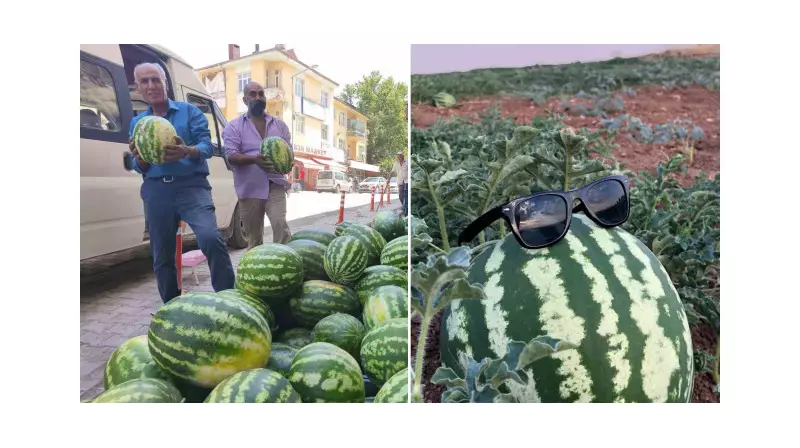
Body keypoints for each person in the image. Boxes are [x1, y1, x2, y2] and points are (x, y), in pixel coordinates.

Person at [128, 62, 235, 303]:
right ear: (138, 87)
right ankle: (171, 307)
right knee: (161, 255)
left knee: (210, 238)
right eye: (144, 81)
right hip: (157, 191)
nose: (151, 85)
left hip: (192, 186)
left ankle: (229, 300)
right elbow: (139, 167)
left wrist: (186, 151)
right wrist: (140, 158)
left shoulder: (190, 112)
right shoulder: (137, 124)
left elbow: (208, 146)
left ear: (165, 82)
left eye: (155, 79)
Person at [222, 81, 292, 248]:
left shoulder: (280, 126)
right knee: (254, 239)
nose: (258, 97)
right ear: (245, 100)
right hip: (250, 188)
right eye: (253, 94)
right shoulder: (234, 126)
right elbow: (231, 156)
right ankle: (254, 271)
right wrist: (254, 160)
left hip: (275, 184)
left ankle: (285, 266)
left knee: (280, 225)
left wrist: (288, 164)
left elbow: (289, 153)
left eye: (261, 94)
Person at [392, 151, 409, 216]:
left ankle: (406, 209)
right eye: (398, 156)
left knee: (406, 195)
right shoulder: (396, 164)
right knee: (400, 196)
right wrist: (388, 179)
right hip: (400, 181)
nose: (399, 157)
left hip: (407, 181)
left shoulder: (407, 162)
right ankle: (404, 206)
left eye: (400, 156)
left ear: (403, 156)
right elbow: (392, 171)